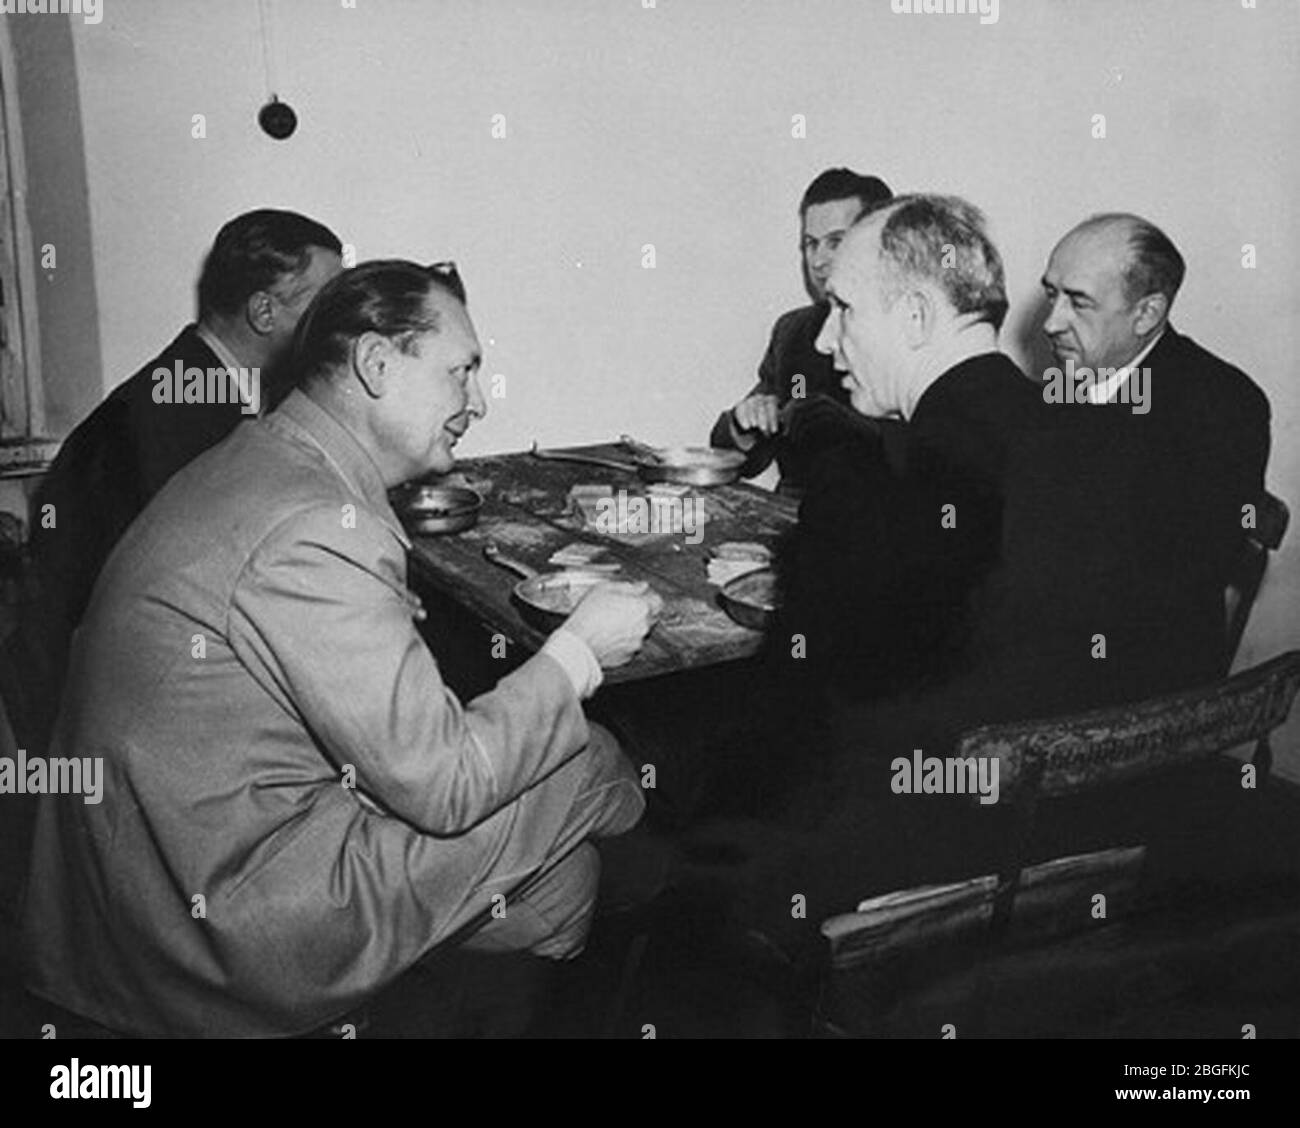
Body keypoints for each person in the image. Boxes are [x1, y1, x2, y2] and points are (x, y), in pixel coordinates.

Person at [21, 260, 660, 1037]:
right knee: (586, 759)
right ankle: (679, 899)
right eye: (462, 372)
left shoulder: (265, 458)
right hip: (216, 921)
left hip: (147, 879)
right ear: (377, 364)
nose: (479, 402)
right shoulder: (316, 524)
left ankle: (485, 993)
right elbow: (445, 783)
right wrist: (581, 650)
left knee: (565, 888)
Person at [10, 210, 343, 755]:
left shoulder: (196, 381)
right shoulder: (179, 416)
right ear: (263, 311)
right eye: (322, 305)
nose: (335, 327)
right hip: (106, 710)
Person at [1026, 212, 1271, 702]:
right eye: (1051, 293)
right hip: (1056, 636)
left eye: (1078, 302)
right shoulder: (1069, 380)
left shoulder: (1222, 404)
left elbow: (1169, 581)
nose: (1051, 322)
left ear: (1146, 313)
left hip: (1138, 677)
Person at [709, 168, 893, 496]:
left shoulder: (908, 331)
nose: (818, 260)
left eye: (836, 242)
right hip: (795, 520)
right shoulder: (794, 330)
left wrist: (851, 429)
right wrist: (744, 422)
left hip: (877, 523)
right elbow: (741, 457)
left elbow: (936, 462)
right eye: (810, 244)